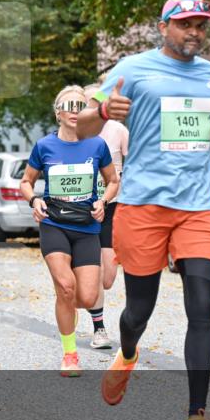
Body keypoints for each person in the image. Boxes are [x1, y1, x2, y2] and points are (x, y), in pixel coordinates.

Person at [76, 0, 210, 420]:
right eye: (185, 24)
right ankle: (128, 352)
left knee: (202, 306)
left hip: (198, 203)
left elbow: (201, 133)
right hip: (144, 203)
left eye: (201, 26)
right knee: (138, 312)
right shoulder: (131, 68)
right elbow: (87, 125)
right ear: (163, 26)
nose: (195, 32)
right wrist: (103, 113)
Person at [21, 85, 117, 376]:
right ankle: (70, 354)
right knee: (65, 287)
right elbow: (26, 182)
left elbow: (113, 181)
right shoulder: (45, 146)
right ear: (58, 113)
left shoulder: (97, 145)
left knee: (87, 297)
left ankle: (67, 305)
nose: (76, 112)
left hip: (87, 227)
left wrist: (103, 200)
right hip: (54, 225)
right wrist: (34, 200)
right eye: (70, 106)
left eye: (81, 106)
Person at [82, 82, 127, 350]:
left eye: (97, 100)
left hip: (112, 208)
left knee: (107, 278)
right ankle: (99, 329)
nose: (93, 106)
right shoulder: (78, 133)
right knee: (93, 273)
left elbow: (134, 164)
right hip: (83, 209)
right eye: (88, 102)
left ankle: (87, 288)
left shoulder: (118, 130)